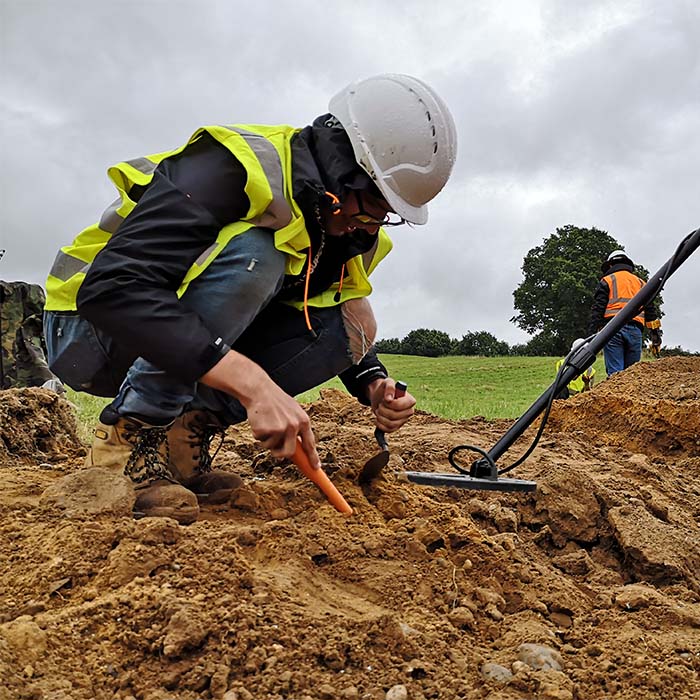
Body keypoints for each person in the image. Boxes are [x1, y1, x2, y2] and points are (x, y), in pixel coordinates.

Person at [43, 74, 457, 524]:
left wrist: (374, 383)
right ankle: (128, 440)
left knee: (354, 318)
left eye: (390, 214)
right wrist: (253, 384)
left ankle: (180, 439)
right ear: (345, 172)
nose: (376, 225)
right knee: (258, 254)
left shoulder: (349, 232)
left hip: (166, 339)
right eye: (377, 206)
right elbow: (112, 290)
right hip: (86, 332)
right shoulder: (234, 167)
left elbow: (336, 328)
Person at [588, 250, 662, 377]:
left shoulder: (607, 280)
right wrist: (655, 335)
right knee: (631, 375)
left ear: (611, 265)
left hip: (612, 330)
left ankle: (615, 396)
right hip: (635, 332)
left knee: (615, 375)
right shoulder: (641, 283)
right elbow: (651, 312)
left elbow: (598, 309)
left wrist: (591, 333)